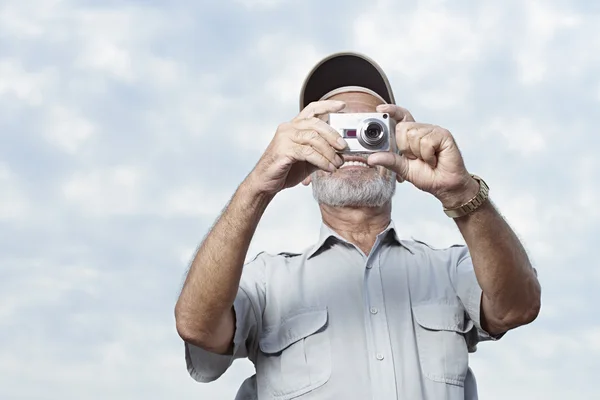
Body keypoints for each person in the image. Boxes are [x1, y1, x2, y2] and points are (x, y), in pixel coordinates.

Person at [174, 52, 541, 399]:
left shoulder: (450, 269)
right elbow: (197, 326)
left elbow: (517, 307)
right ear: (302, 161)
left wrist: (461, 192)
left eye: (369, 128)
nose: (351, 146)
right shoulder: (267, 281)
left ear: (400, 151)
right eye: (333, 131)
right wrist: (258, 185)